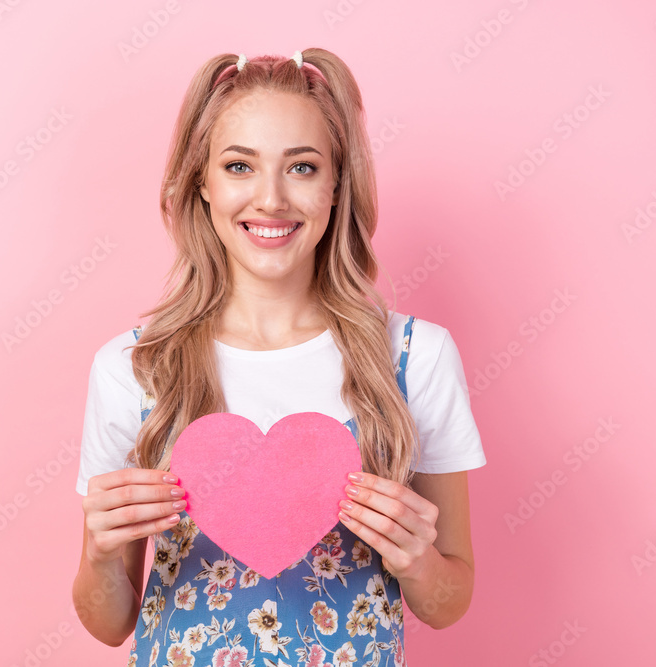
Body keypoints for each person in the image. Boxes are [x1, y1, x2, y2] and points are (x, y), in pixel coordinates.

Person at [72, 48, 486, 666]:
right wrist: (101, 555)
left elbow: (450, 600)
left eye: (302, 167)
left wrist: (417, 561)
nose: (270, 199)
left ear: (337, 184)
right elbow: (109, 624)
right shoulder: (134, 368)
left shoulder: (413, 358)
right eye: (239, 166)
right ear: (202, 185)